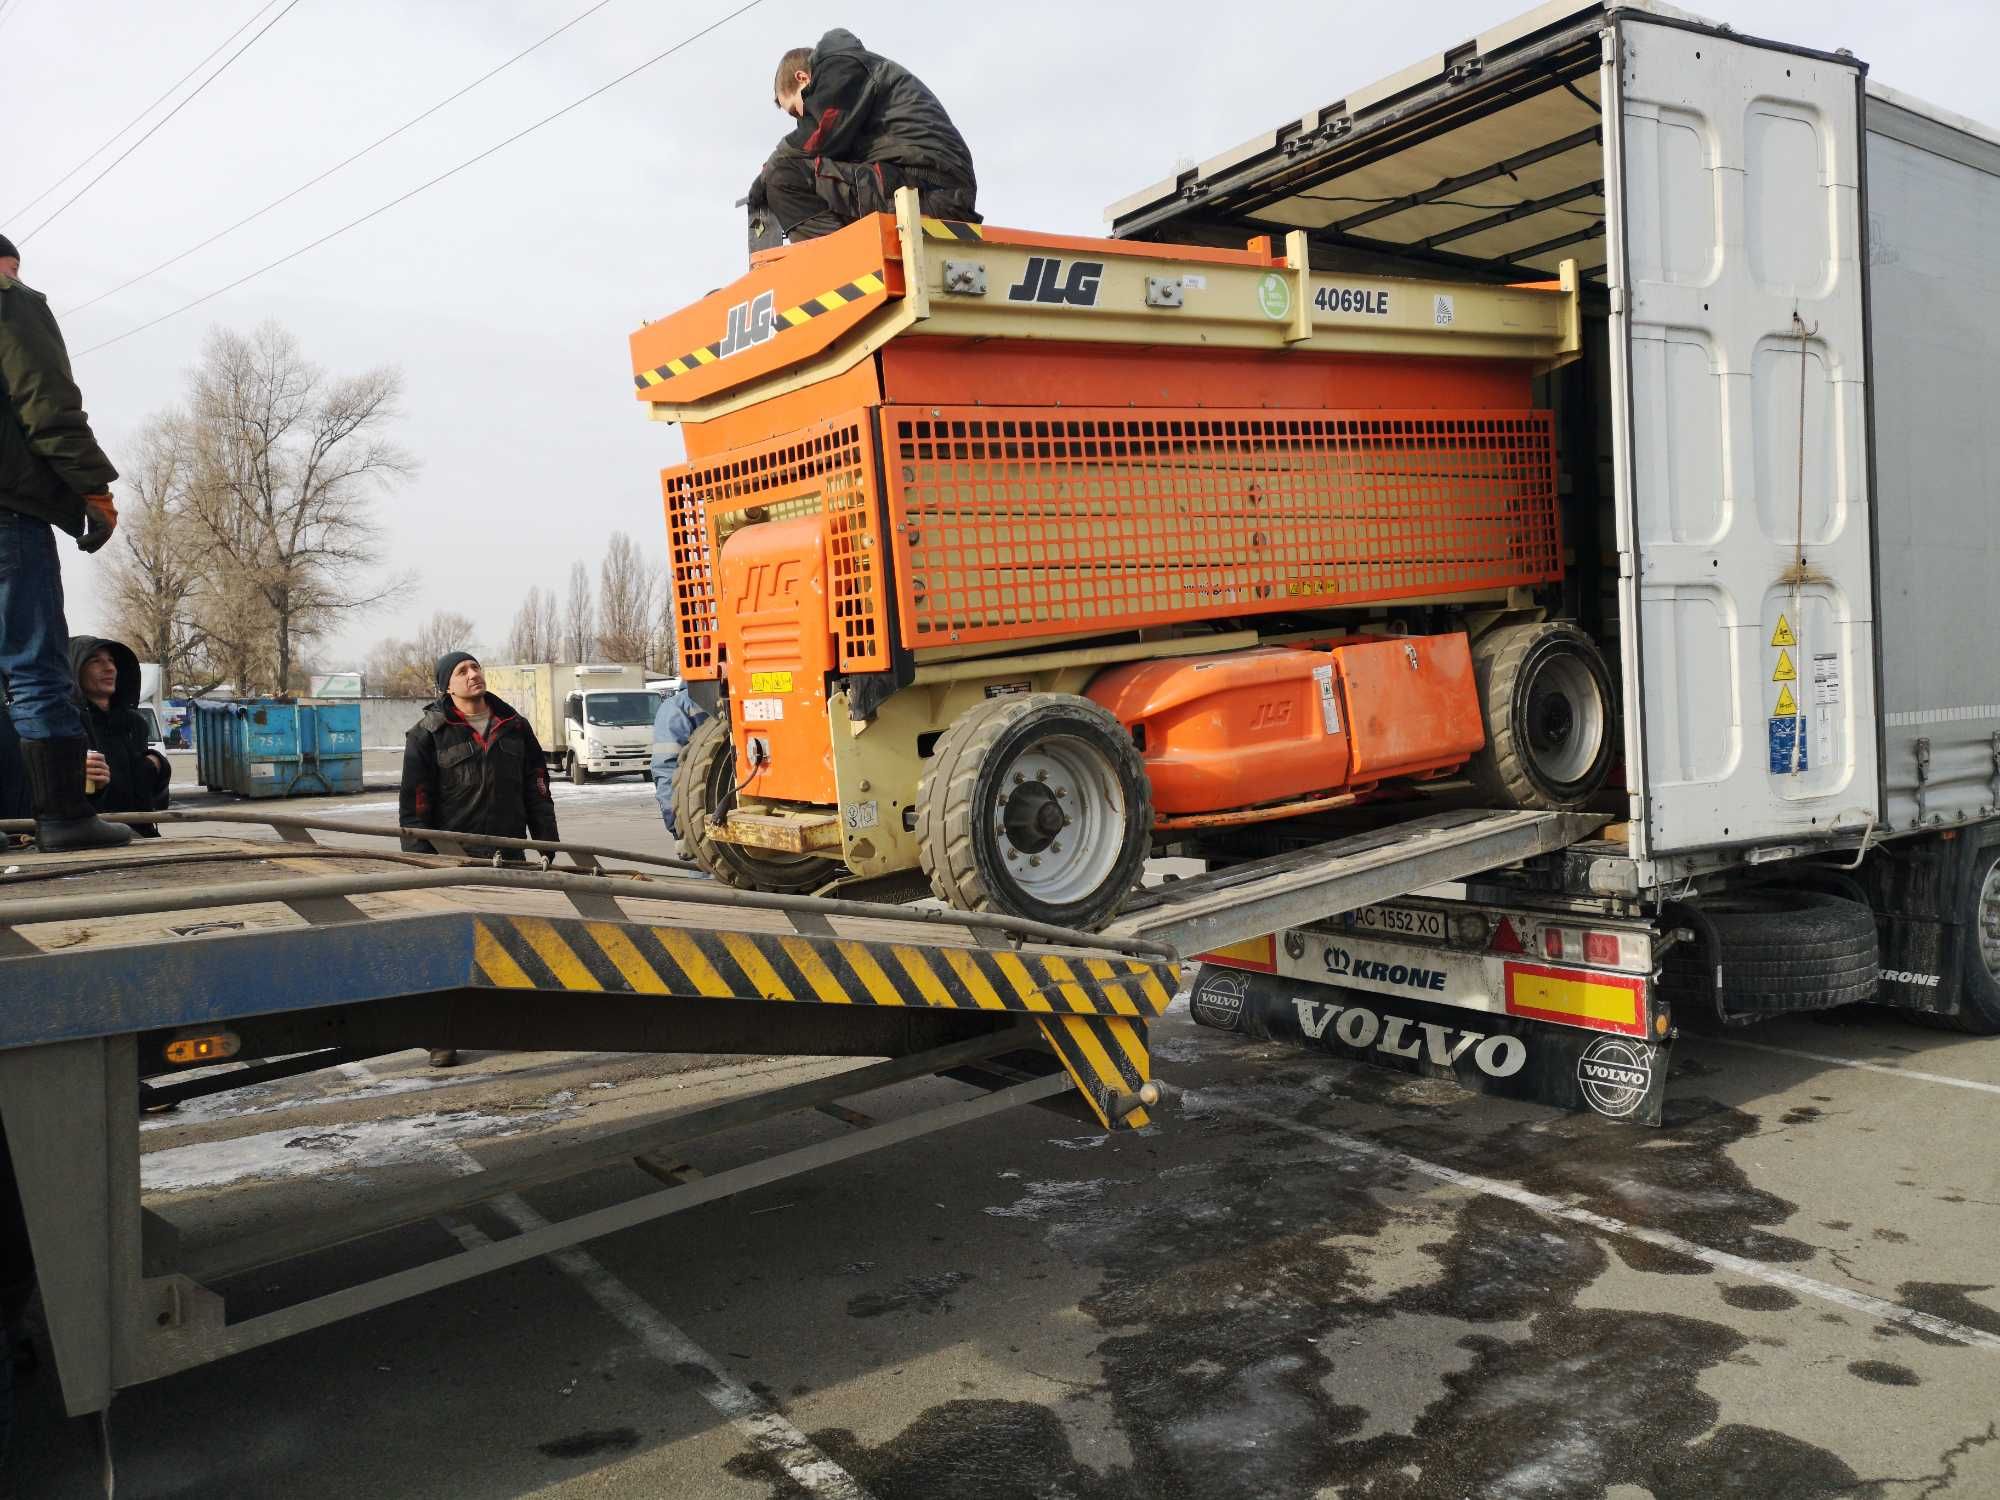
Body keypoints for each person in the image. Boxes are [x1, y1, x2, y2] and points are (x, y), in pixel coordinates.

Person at [0, 233, 130, 851]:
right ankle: (64, 816)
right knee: (34, 666)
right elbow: (46, 403)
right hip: (5, 514)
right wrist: (94, 490)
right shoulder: (8, 299)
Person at [400, 652, 560, 1067]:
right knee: (448, 949)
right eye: (462, 671)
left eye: (475, 668)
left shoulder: (515, 728)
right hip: (454, 862)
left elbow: (537, 790)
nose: (474, 675)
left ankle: (515, 1026)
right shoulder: (427, 735)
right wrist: (423, 865)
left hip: (510, 856)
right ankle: (442, 1036)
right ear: (446, 686)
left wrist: (547, 844)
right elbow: (414, 813)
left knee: (514, 942)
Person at [747, 30, 978, 244]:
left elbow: (819, 134)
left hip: (927, 189)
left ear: (803, 78)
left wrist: (769, 170)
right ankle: (852, 253)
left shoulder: (840, 68)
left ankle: (835, 268)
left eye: (795, 110)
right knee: (807, 170)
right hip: (930, 186)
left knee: (784, 176)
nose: (801, 119)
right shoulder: (858, 83)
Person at [70, 636, 170, 837]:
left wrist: (157, 765)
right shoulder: (66, 725)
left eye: (112, 661)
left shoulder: (135, 723)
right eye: (95, 661)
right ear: (75, 669)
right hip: (93, 837)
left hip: (142, 834)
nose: (109, 668)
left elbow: (152, 796)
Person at [651, 683, 710, 852]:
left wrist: (679, 827)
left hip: (700, 824)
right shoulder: (745, 696)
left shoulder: (678, 707)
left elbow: (667, 770)